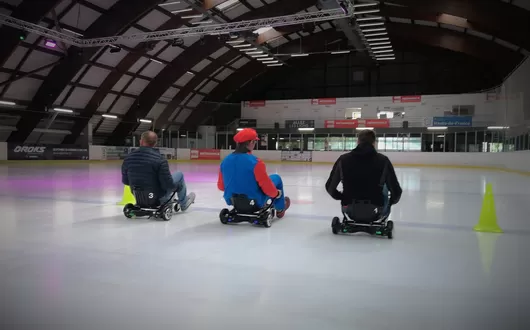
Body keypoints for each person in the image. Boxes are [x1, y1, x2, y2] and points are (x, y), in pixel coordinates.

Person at [325, 129, 402, 218]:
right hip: (376, 209)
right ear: (374, 143)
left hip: (349, 208)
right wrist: (390, 202)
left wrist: (342, 197)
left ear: (358, 142)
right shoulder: (383, 161)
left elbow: (330, 187)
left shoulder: (343, 160)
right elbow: (396, 191)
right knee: (384, 187)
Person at [217, 128, 290, 218]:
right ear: (251, 142)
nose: (255, 144)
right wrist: (276, 194)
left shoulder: (225, 162)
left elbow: (221, 186)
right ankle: (280, 208)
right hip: (254, 201)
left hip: (232, 200)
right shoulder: (255, 162)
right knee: (276, 178)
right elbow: (268, 188)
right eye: (255, 142)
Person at [121, 130, 195, 211]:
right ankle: (183, 203)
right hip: (157, 197)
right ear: (155, 143)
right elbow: (167, 185)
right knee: (179, 175)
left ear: (141, 141)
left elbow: (126, 181)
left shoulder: (128, 158)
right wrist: (176, 187)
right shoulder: (160, 159)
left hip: (138, 196)